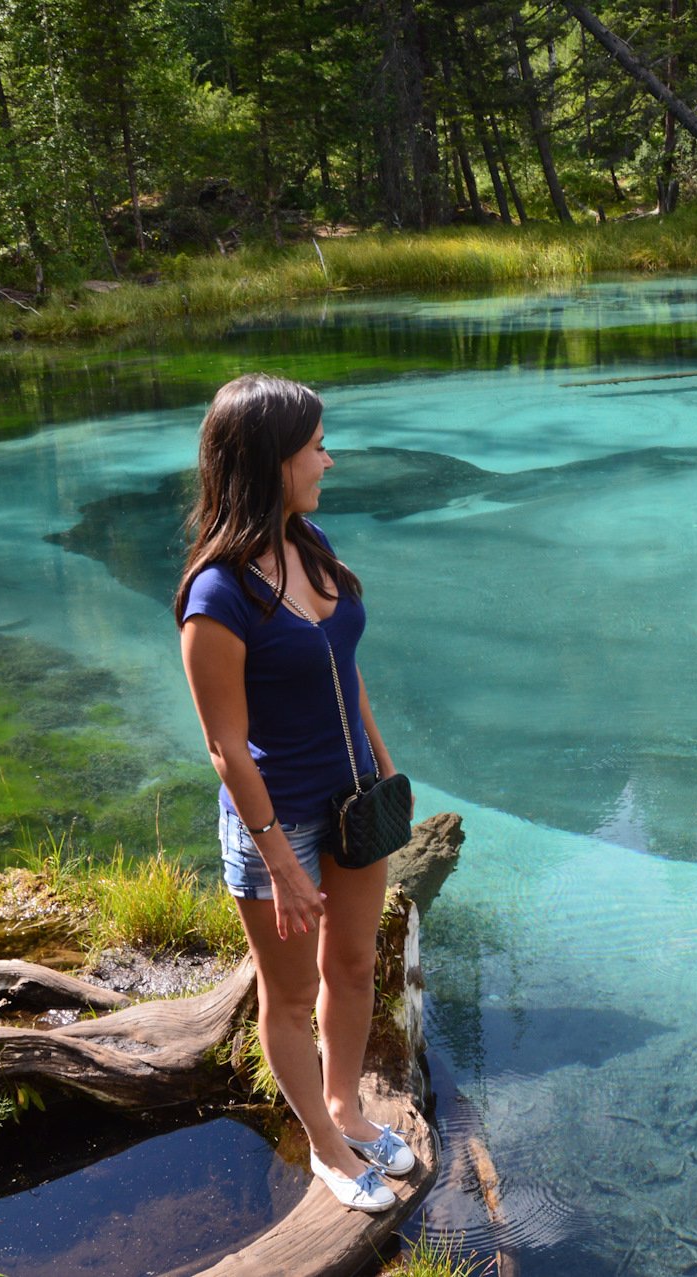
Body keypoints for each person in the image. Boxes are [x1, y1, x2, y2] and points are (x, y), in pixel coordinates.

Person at [173, 373, 415, 1213]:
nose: (327, 458)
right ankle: (322, 1145)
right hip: (278, 822)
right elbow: (223, 747)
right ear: (271, 459)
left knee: (352, 966)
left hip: (353, 803)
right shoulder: (217, 596)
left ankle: (345, 1105)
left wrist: (384, 770)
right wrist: (278, 859)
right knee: (286, 992)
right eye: (315, 445)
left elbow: (348, 675)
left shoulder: (310, 544)